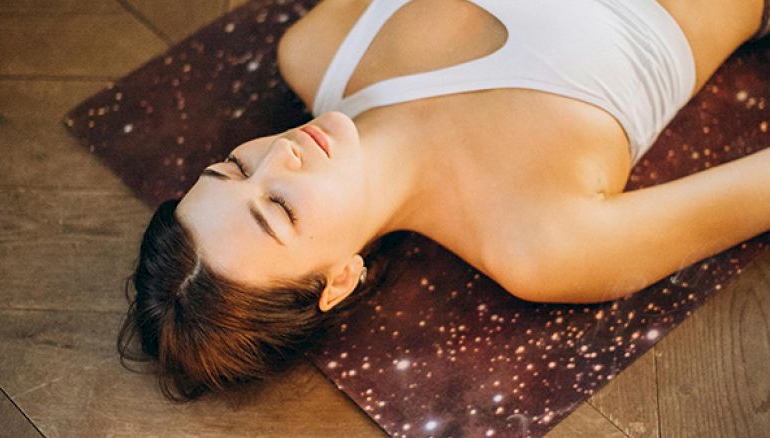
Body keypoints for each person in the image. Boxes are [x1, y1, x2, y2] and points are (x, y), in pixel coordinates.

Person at [118, 0, 770, 402]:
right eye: (280, 208)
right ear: (340, 279)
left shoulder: (316, 51)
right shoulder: (539, 244)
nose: (278, 156)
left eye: (234, 166)